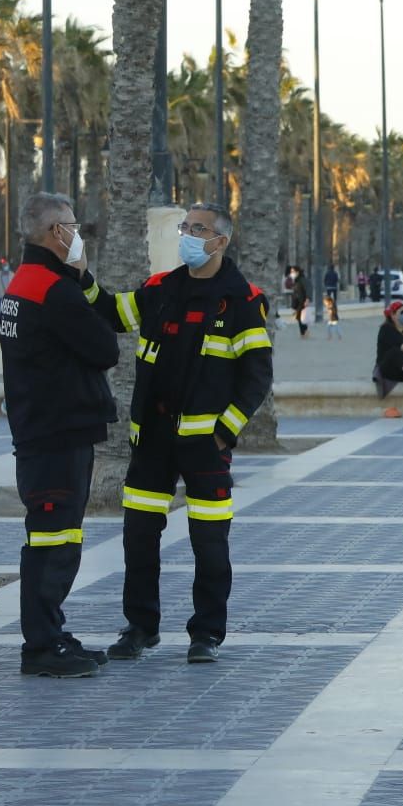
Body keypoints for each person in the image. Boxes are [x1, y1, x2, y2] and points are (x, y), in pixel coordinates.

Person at [88, 202, 273, 666]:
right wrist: (79, 272)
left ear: (220, 241)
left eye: (199, 228)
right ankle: (140, 628)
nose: (188, 235)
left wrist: (224, 433)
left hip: (205, 448)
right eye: (185, 226)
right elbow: (112, 313)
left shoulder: (243, 300)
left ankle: (206, 633)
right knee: (138, 536)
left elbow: (257, 376)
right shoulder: (161, 289)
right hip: (151, 441)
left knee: (210, 543)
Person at [0, 192, 121, 679]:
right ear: (56, 234)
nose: (79, 235)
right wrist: (79, 276)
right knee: (55, 542)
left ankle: (50, 633)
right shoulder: (53, 289)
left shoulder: (22, 284)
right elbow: (104, 347)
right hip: (57, 433)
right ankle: (42, 646)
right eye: (73, 226)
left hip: (40, 430)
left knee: (50, 538)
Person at [290, 266, 311, 337]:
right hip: (298, 302)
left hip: (302, 301)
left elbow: (308, 289)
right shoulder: (296, 280)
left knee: (301, 317)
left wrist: (307, 299)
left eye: (293, 272)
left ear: (297, 272)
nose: (291, 273)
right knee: (299, 318)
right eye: (291, 272)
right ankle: (304, 332)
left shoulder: (302, 280)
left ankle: (304, 332)